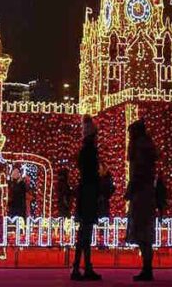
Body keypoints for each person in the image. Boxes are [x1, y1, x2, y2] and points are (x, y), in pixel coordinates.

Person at [125, 118, 158, 282]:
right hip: (146, 194)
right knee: (145, 234)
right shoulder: (146, 148)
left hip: (140, 195)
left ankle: (147, 268)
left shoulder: (139, 150)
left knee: (142, 232)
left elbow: (138, 173)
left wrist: (130, 190)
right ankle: (147, 267)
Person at [72, 116, 102, 281]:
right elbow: (92, 174)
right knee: (85, 232)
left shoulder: (84, 151)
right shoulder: (90, 151)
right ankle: (81, 267)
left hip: (85, 192)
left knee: (84, 232)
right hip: (89, 194)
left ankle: (80, 267)